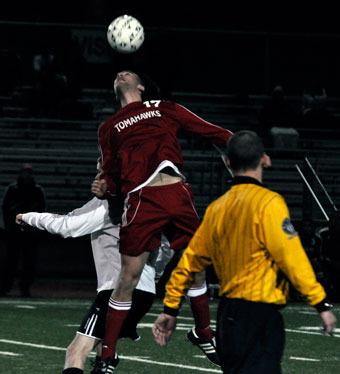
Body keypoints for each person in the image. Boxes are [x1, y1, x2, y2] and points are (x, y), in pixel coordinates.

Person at [152, 130, 337, 373]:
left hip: (228, 316)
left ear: (227, 162)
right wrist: (320, 304)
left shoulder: (217, 209)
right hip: (260, 315)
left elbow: (189, 263)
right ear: (265, 159)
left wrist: (170, 309)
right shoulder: (270, 203)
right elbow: (291, 258)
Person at [92, 70, 233, 371]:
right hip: (141, 199)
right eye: (118, 73)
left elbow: (207, 129)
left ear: (141, 85)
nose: (121, 73)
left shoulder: (163, 107)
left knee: (197, 265)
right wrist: (104, 187)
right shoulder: (108, 128)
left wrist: (240, 145)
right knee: (128, 276)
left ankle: (203, 332)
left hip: (176, 192)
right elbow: (110, 177)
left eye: (129, 72)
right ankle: (107, 354)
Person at [16, 177, 160, 374]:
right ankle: (107, 359)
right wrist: (153, 276)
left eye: (103, 170)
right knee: (103, 346)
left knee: (76, 351)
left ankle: (107, 360)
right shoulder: (148, 202)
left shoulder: (109, 203)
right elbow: (165, 249)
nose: (97, 178)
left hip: (116, 292)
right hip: (145, 294)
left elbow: (67, 226)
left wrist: (28, 217)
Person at [0, 164, 45, 297]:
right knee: (10, 261)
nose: (27, 175)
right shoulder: (12, 189)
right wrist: (7, 227)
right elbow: (4, 208)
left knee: (29, 262)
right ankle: (5, 287)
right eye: (25, 173)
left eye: (29, 173)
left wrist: (37, 228)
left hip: (30, 232)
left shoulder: (37, 190)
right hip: (14, 232)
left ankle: (24, 288)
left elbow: (42, 210)